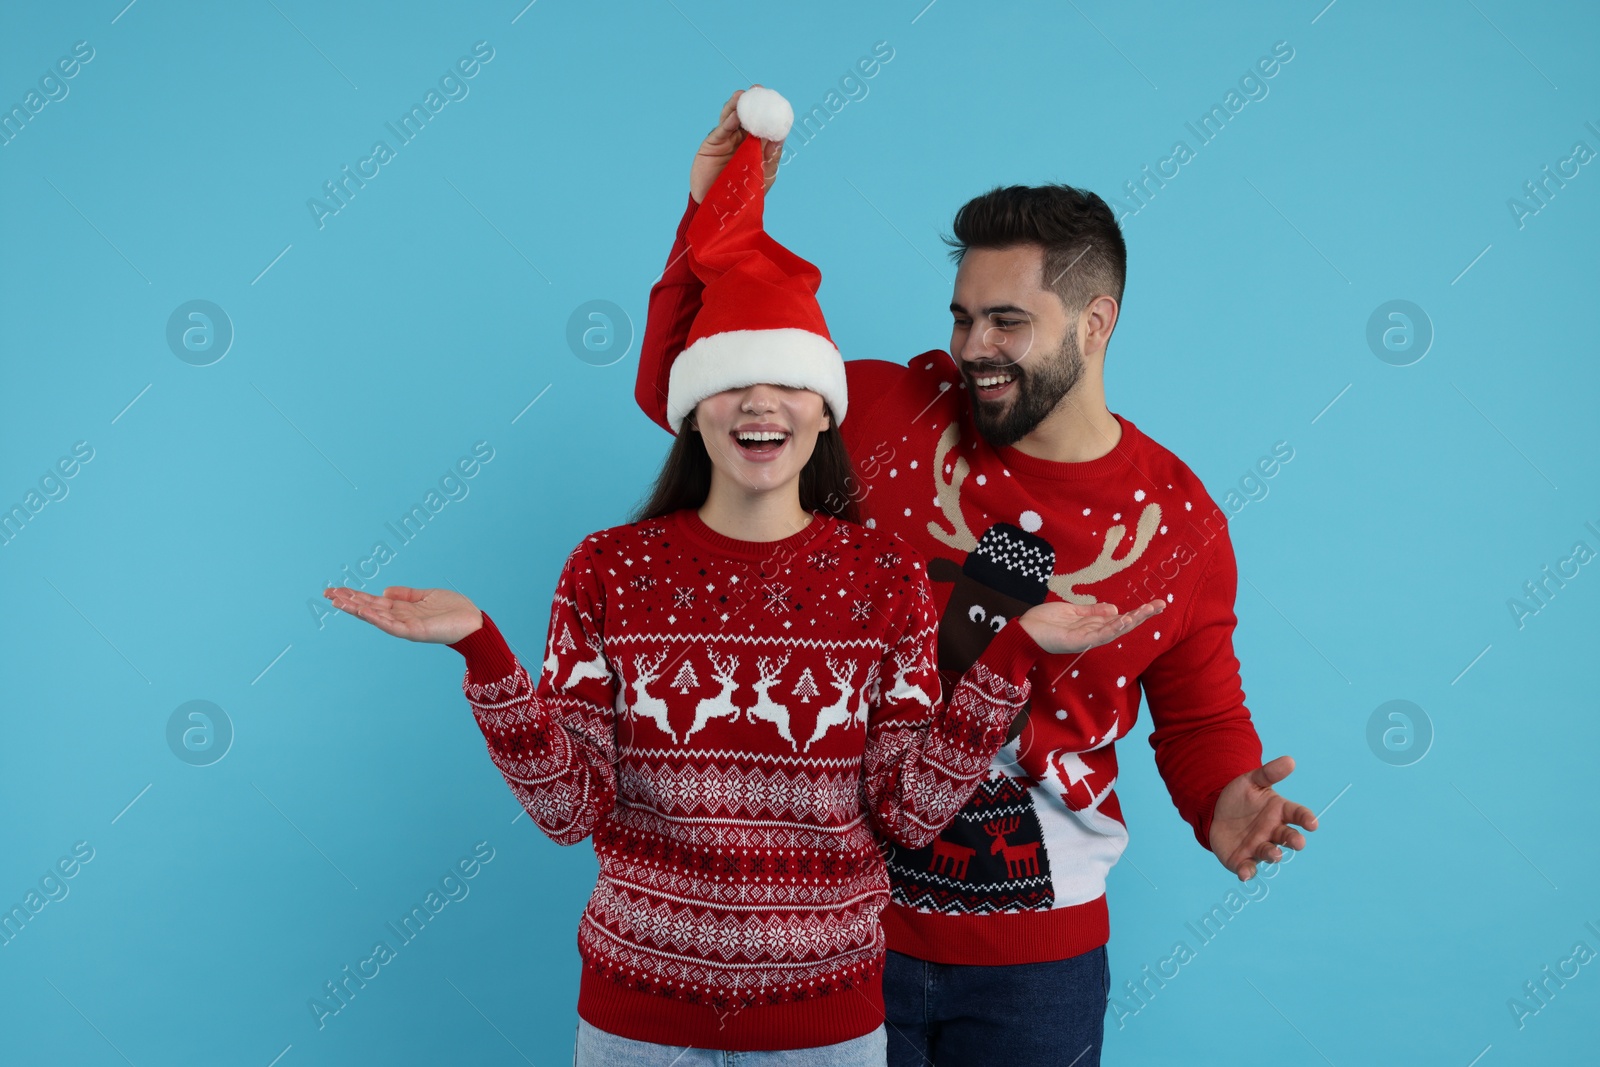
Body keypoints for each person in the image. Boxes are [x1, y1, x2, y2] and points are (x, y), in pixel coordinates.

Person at [325, 88, 1163, 1065]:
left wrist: (1012, 649)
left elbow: (905, 812)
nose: (757, 403)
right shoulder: (608, 570)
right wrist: (480, 648)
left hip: (826, 1027)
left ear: (821, 412)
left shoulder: (881, 578)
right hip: (637, 1024)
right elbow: (568, 812)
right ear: (693, 408)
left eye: (785, 384)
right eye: (729, 380)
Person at [636, 87, 1319, 1066]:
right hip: (830, 924)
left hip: (1035, 965)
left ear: (1095, 322)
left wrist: (1224, 799)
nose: (970, 349)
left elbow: (1200, 718)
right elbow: (691, 386)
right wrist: (711, 214)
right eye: (961, 318)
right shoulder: (882, 410)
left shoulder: (1179, 522)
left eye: (1006, 321)